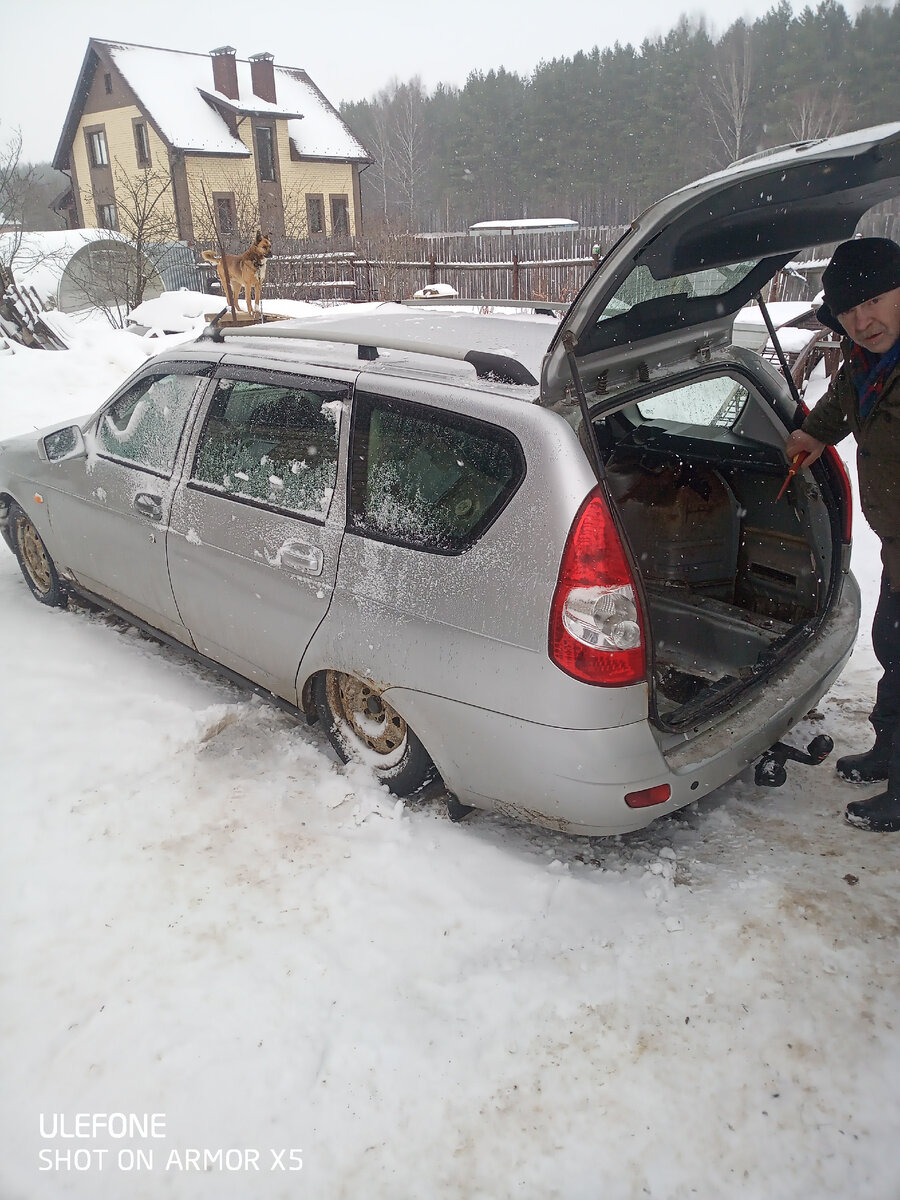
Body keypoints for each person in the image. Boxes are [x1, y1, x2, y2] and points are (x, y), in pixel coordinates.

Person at [785, 236, 900, 832]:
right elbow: (847, 396)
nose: (864, 320)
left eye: (876, 300)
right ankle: (889, 752)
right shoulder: (869, 363)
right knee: (892, 646)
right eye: (850, 311)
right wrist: (813, 434)